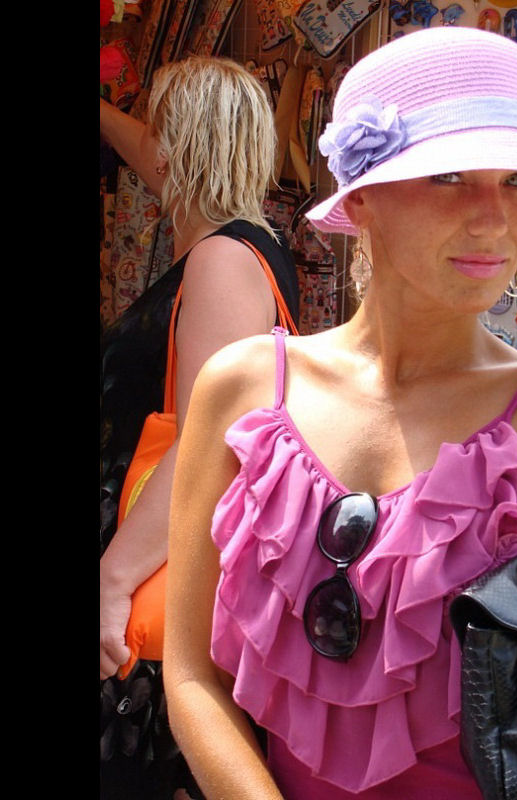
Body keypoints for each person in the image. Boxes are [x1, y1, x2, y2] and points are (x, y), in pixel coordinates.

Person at [163, 27, 517, 800]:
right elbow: (191, 674)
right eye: (448, 177)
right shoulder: (241, 390)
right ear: (361, 197)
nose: (493, 218)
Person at [99, 55, 300, 797]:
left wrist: (113, 580)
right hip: (161, 566)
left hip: (156, 582)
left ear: (175, 145)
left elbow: (211, 439)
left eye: (153, 127)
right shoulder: (236, 249)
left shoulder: (221, 260)